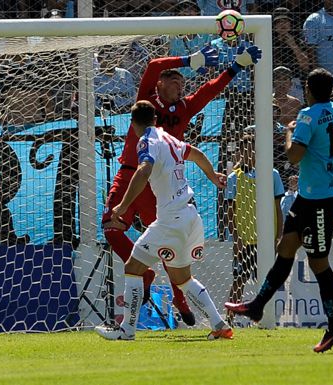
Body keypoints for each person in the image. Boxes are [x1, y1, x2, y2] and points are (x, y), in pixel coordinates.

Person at [102, 42, 262, 326]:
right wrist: (190, 59)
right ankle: (146, 274)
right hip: (129, 173)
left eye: (183, 82)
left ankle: (180, 298)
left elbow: (211, 89)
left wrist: (236, 67)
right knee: (111, 228)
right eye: (175, 81)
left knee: (167, 244)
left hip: (157, 185)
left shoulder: (184, 108)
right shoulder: (146, 102)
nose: (180, 86)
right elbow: (153, 66)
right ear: (161, 84)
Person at [226, 68, 333, 353]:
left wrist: (289, 132)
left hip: (320, 201)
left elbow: (293, 156)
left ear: (308, 89)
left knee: (319, 263)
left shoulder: (307, 115)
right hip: (309, 196)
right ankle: (256, 306)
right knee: (286, 248)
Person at [95, 101, 233, 341]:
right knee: (183, 279)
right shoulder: (168, 138)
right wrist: (212, 176)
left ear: (133, 123)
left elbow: (143, 170)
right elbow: (197, 153)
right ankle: (219, 324)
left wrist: (124, 205)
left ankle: (127, 330)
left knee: (132, 268)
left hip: (171, 218)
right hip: (191, 215)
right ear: (155, 119)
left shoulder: (146, 141)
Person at [224, 133, 286, 324]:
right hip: (245, 239)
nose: (249, 152)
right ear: (240, 152)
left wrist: (279, 236)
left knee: (267, 281)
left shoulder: (272, 174)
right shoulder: (234, 178)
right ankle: (229, 320)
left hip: (266, 240)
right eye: (245, 149)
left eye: (253, 149)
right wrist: (237, 238)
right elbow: (229, 211)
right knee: (239, 280)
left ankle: (268, 318)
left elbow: (278, 208)